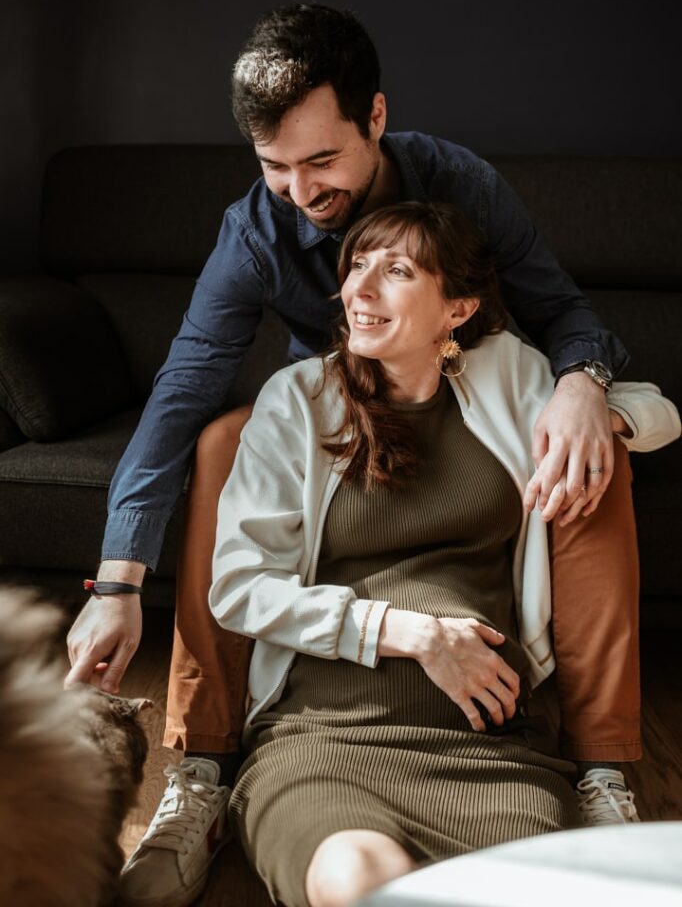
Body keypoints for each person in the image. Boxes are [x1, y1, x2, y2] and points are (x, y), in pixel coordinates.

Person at [63, 4, 652, 906]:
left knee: (588, 445)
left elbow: (570, 316)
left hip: (477, 394)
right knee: (222, 437)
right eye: (273, 167)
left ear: (375, 118)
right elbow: (182, 390)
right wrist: (115, 583)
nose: (297, 191)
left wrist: (583, 388)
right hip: (333, 407)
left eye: (322, 161)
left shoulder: (465, 188)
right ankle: (208, 770)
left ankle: (603, 773)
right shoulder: (258, 230)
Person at [207, 202, 680, 907]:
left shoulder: (511, 377)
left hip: (491, 746)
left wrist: (592, 408)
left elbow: (660, 415)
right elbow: (240, 587)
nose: (360, 290)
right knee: (362, 883)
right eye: (357, 265)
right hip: (328, 735)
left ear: (457, 308)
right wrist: (413, 634)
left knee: (527, 894)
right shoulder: (298, 399)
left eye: (395, 270)